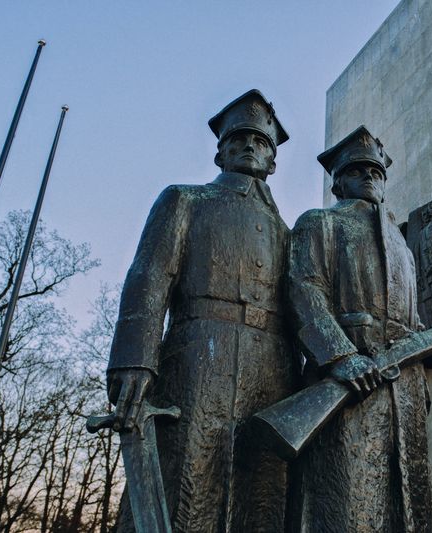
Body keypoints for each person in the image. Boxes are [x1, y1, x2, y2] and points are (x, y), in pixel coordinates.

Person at [286, 126, 432, 532]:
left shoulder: (402, 246)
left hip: (406, 395)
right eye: (358, 170)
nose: (369, 177)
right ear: (338, 181)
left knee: (407, 512)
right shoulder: (319, 223)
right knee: (346, 507)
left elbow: (414, 329)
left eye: (376, 172)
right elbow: (304, 291)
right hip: (351, 385)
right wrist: (341, 357)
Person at [106, 89, 295, 532]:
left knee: (261, 495)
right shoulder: (184, 200)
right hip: (193, 362)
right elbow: (149, 277)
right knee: (184, 484)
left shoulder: (288, 232)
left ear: (273, 162)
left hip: (272, 371)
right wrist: (135, 358)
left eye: (262, 142)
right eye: (240, 139)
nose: (251, 146)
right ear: (220, 154)